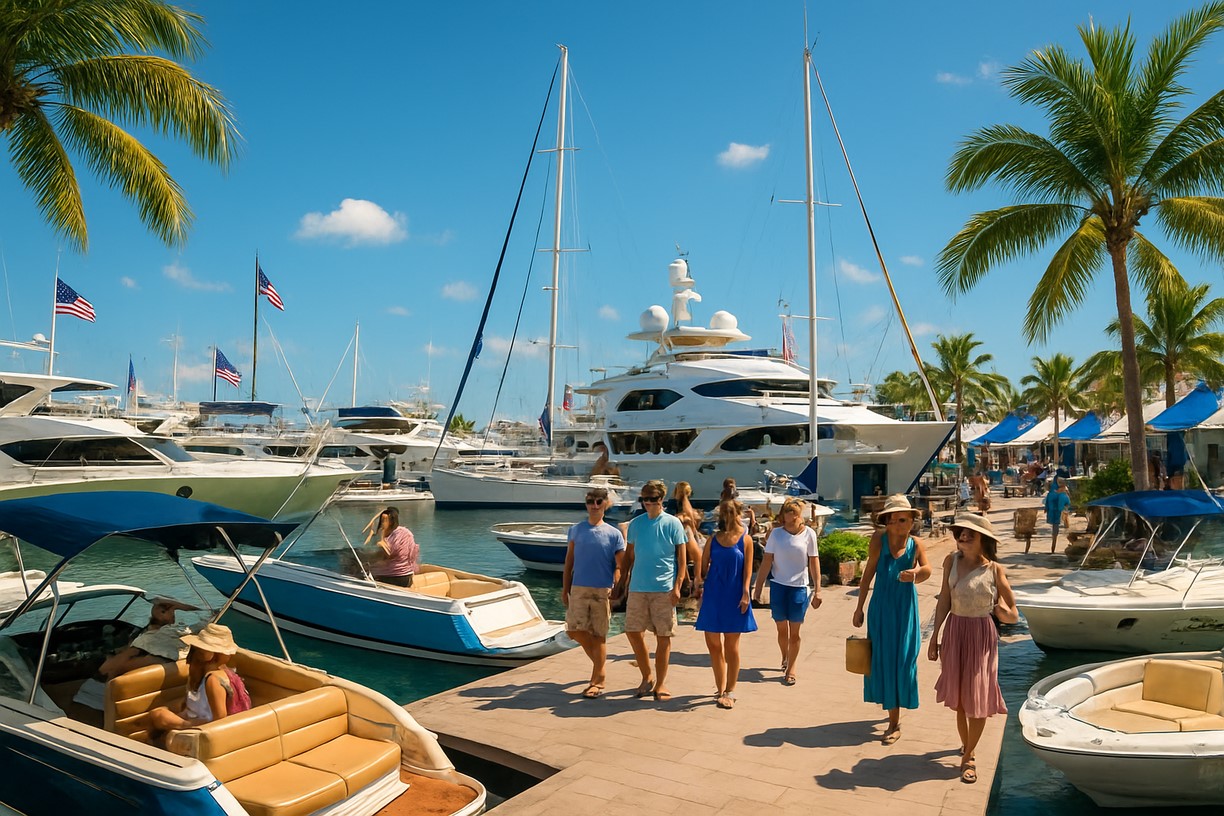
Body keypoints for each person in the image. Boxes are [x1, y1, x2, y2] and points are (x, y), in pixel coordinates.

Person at [928, 514, 1018, 784]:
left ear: (983, 540)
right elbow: (944, 599)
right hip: (955, 631)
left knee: (977, 698)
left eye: (970, 534)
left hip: (981, 635)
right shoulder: (950, 561)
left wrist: (1001, 610)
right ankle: (967, 745)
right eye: (960, 533)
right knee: (960, 699)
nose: (963, 537)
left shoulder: (994, 570)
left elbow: (1013, 614)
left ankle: (969, 756)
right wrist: (934, 636)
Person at [852, 494, 931, 745]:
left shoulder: (917, 544)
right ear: (886, 522)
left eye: (903, 520)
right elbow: (868, 573)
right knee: (884, 659)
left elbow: (928, 570)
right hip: (882, 607)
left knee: (906, 660)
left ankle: (896, 709)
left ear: (911, 521)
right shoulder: (879, 539)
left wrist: (916, 573)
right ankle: (894, 721)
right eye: (893, 520)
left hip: (906, 608)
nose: (898, 524)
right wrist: (859, 607)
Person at [619, 479, 688, 702]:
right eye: (644, 499)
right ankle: (647, 675)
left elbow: (682, 559)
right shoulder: (636, 524)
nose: (648, 503)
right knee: (632, 631)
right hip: (638, 587)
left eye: (652, 499)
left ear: (661, 500)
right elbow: (629, 557)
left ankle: (660, 683)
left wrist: (678, 586)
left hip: (664, 589)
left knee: (663, 636)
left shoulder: (673, 524)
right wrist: (621, 584)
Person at [562, 487, 626, 699]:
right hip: (578, 588)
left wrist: (618, 584)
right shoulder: (576, 530)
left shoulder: (614, 534)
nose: (595, 505)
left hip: (601, 590)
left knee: (599, 635)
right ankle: (600, 667)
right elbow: (569, 561)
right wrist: (565, 588)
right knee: (573, 631)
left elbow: (619, 565)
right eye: (591, 501)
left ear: (605, 504)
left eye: (599, 501)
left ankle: (597, 680)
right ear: (587, 503)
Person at [694, 499, 757, 709]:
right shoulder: (714, 539)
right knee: (713, 644)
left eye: (731, 512)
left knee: (732, 646)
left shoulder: (745, 540)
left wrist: (746, 593)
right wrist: (697, 581)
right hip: (714, 594)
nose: (728, 516)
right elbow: (702, 568)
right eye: (725, 512)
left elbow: (748, 570)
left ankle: (730, 690)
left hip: (735, 595)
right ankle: (720, 688)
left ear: (739, 514)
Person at [752, 498, 821, 686]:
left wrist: (818, 590)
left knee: (795, 631)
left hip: (799, 586)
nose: (785, 516)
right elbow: (767, 561)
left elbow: (814, 561)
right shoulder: (776, 534)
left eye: (789, 512)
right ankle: (785, 657)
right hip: (778, 585)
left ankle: (791, 667)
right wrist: (758, 587)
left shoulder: (809, 534)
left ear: (797, 515)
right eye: (785, 512)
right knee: (781, 627)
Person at [144, 623, 251, 742]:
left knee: (157, 715)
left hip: (203, 730)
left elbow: (220, 718)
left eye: (198, 650)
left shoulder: (213, 680)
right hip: (198, 719)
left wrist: (190, 724)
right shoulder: (222, 673)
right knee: (162, 712)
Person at [98, 596, 198, 680]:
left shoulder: (145, 635)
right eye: (172, 611)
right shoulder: (167, 632)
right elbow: (199, 627)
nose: (174, 614)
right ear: (162, 613)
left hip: (150, 659)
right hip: (158, 659)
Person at [367, 506, 419, 586]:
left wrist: (380, 543)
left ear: (391, 521)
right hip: (408, 575)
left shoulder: (395, 535)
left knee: (362, 572)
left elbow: (387, 554)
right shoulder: (406, 532)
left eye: (384, 520)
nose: (381, 523)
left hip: (395, 576)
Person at [672, 481, 705, 585]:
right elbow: (689, 518)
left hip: (682, 531)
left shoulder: (678, 503)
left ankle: (691, 580)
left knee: (683, 557)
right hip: (686, 531)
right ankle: (695, 579)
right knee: (695, 557)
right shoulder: (685, 503)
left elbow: (683, 517)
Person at [1042, 480, 1071, 554]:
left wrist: (1047, 509)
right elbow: (1067, 503)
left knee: (1055, 531)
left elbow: (1046, 504)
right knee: (1057, 530)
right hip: (1059, 514)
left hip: (1051, 514)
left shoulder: (1050, 494)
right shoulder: (1062, 495)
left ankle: (1053, 548)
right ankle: (1053, 548)